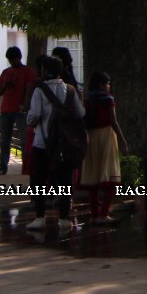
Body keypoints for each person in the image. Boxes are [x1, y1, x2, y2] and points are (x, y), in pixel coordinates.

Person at [25, 56, 85, 231]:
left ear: (45, 70)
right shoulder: (71, 90)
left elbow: (34, 115)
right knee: (65, 180)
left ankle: (40, 217)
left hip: (43, 142)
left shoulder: (40, 90)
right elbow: (80, 112)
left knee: (40, 179)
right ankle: (64, 218)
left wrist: (31, 120)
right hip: (66, 142)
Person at [79, 72, 128, 226]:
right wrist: (123, 140)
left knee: (93, 176)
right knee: (110, 176)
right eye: (107, 83)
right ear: (101, 85)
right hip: (106, 137)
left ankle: (94, 213)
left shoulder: (87, 100)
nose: (109, 86)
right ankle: (104, 213)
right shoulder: (108, 100)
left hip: (91, 137)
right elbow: (113, 121)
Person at [0, 46, 37, 176]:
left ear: (19, 58)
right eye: (10, 60)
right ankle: (3, 166)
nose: (12, 62)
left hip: (20, 110)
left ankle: (26, 166)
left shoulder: (27, 71)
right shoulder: (6, 72)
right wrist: (4, 86)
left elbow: (30, 89)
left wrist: (26, 105)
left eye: (14, 59)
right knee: (4, 139)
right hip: (6, 108)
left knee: (24, 140)